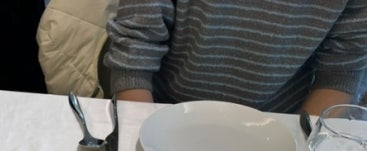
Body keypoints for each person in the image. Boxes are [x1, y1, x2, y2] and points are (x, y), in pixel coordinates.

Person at [104, 1, 367, 115]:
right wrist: (143, 134)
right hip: (165, 110)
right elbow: (135, 53)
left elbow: (341, 70)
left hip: (283, 121)